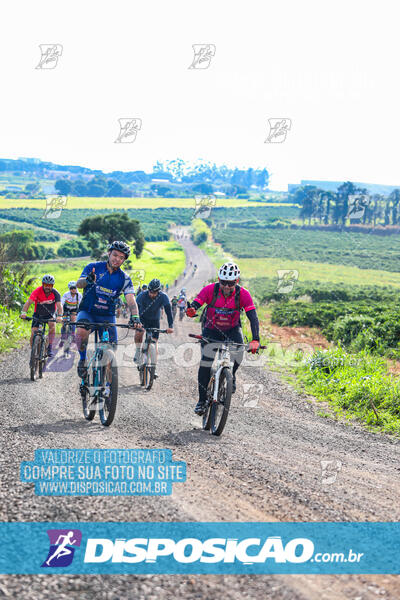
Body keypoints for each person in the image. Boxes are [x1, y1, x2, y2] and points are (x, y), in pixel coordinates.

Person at [186, 262, 260, 415]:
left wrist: (255, 339)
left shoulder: (243, 294)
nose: (226, 286)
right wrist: (192, 310)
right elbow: (196, 304)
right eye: (223, 282)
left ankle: (231, 374)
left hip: (232, 329)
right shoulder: (210, 290)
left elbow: (253, 317)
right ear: (219, 279)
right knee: (206, 364)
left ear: (236, 281)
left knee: (239, 350)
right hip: (211, 329)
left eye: (230, 283)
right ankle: (201, 401)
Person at [75, 241, 141, 378]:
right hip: (88, 311)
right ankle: (82, 359)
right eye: (115, 255)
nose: (117, 259)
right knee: (81, 332)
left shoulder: (125, 278)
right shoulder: (93, 267)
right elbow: (78, 284)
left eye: (121, 257)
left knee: (112, 350)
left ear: (123, 260)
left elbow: (130, 299)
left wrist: (135, 316)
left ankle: (108, 387)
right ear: (109, 253)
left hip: (107, 315)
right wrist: (88, 280)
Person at [134, 278, 174, 375]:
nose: (151, 294)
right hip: (142, 319)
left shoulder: (163, 297)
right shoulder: (142, 295)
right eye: (150, 291)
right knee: (139, 332)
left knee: (154, 342)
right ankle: (138, 350)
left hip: (155, 321)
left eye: (154, 292)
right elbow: (134, 310)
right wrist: (135, 321)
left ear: (158, 291)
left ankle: (153, 368)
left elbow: (169, 312)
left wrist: (171, 326)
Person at [20, 274, 63, 358]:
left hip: (50, 314)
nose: (47, 287)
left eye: (49, 285)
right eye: (46, 285)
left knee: (52, 326)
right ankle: (33, 351)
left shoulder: (55, 293)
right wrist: (23, 313)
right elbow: (28, 302)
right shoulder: (37, 291)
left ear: (52, 286)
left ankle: (49, 347)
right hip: (38, 314)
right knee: (33, 333)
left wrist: (60, 316)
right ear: (42, 284)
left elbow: (59, 305)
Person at [59, 281, 82, 347]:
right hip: (66, 308)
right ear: (69, 289)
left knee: (73, 320)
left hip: (74, 309)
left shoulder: (79, 295)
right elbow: (61, 303)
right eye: (71, 288)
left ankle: (73, 335)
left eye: (75, 288)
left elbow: (80, 304)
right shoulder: (66, 294)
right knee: (64, 322)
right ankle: (62, 337)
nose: (73, 290)